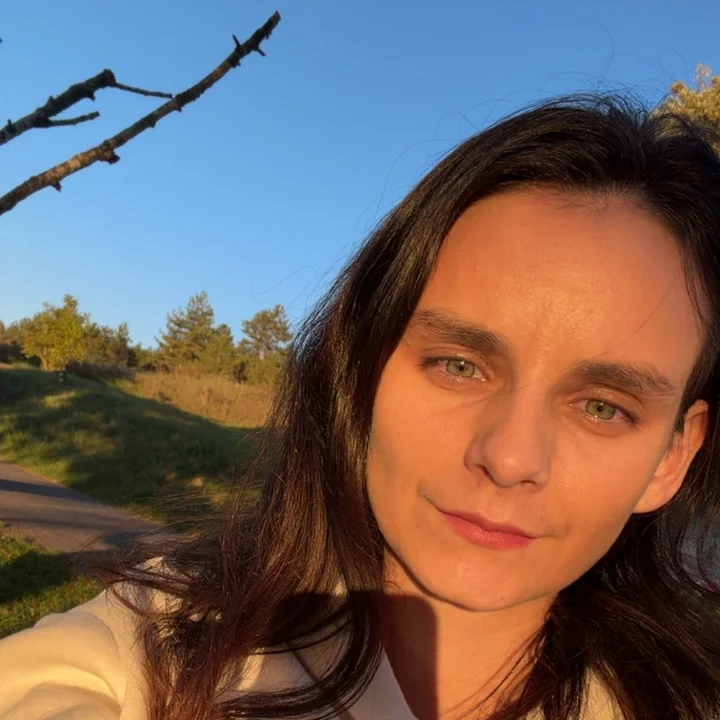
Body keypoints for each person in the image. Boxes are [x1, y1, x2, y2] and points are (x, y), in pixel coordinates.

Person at [1, 94, 719, 720]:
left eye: (604, 407)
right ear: (361, 369)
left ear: (671, 456)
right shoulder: (148, 652)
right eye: (459, 365)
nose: (509, 458)